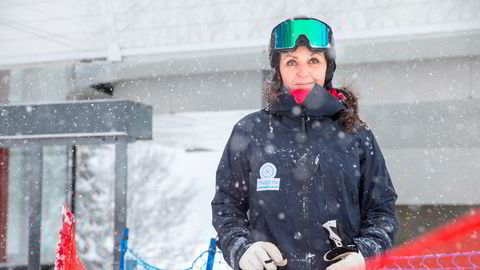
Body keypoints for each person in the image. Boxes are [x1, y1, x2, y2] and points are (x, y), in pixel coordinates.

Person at [211, 16, 398, 270]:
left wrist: (364, 255)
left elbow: (382, 212)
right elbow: (226, 207)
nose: (303, 73)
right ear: (278, 70)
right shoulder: (250, 131)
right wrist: (242, 249)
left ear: (327, 67)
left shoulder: (356, 134)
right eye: (291, 62)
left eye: (313, 60)